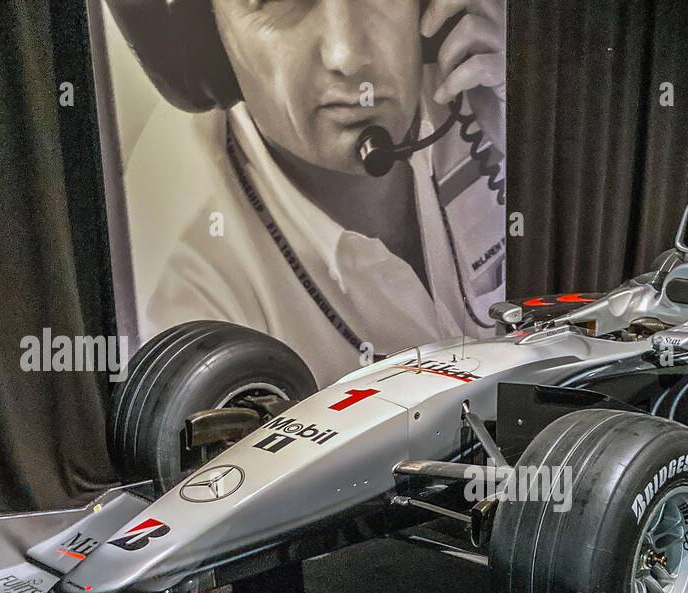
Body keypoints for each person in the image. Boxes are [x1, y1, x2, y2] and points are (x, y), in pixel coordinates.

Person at [111, 0, 506, 387]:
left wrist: (542, 103)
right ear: (200, 39)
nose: (348, 55)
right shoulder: (175, 294)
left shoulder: (490, 70)